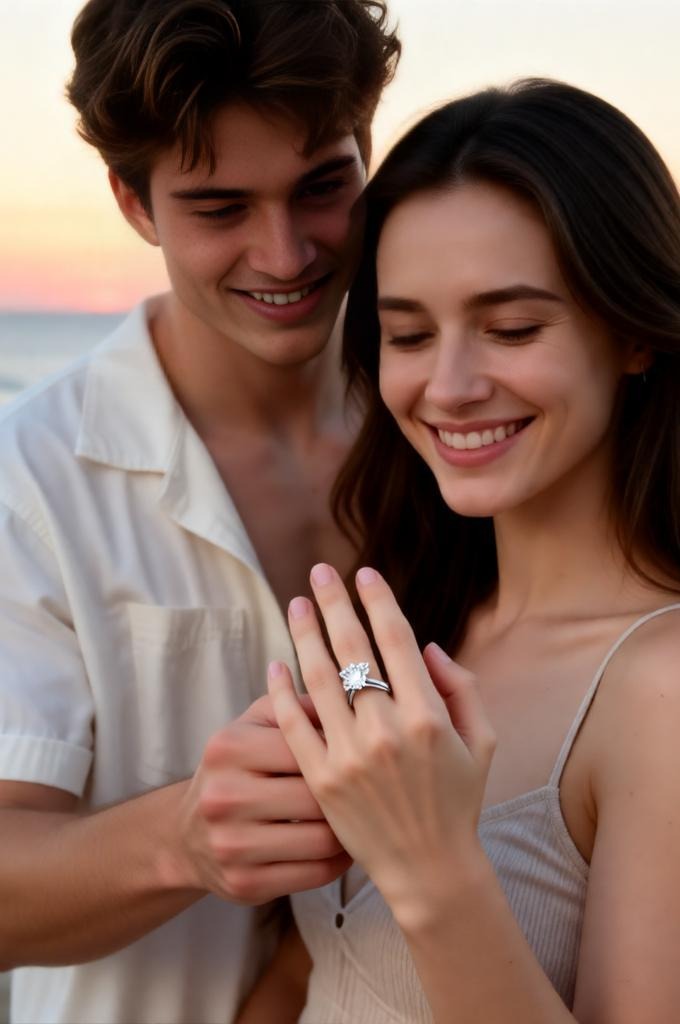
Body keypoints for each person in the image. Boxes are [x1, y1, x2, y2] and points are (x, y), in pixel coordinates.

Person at [0, 2, 400, 1023]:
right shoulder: (31, 476)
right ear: (132, 202)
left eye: (322, 186)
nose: (285, 255)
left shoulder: (450, 426)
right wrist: (179, 837)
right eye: (220, 208)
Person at [261, 80, 680, 1022]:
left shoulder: (661, 687)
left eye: (512, 328)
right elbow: (301, 982)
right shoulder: (415, 618)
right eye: (408, 334)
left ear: (635, 334)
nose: (447, 386)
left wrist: (430, 865)